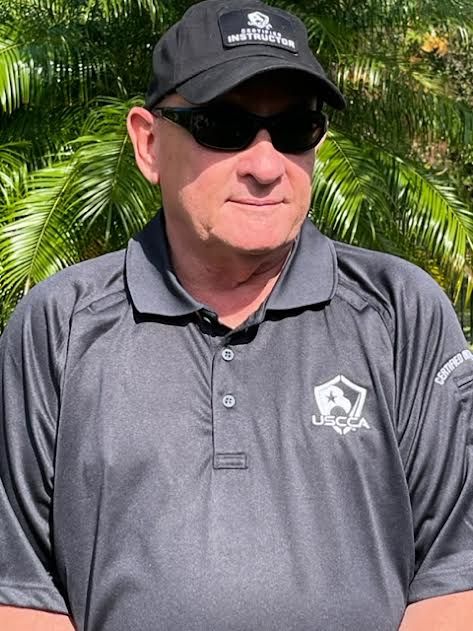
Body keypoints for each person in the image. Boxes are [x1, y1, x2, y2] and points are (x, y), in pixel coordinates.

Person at [0, 1, 472, 629]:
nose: (266, 165)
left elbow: (454, 578)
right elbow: (20, 591)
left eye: (296, 128)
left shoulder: (401, 312)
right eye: (222, 125)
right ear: (148, 143)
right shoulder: (59, 325)